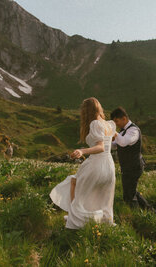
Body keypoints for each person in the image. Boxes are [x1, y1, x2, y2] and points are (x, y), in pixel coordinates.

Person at [50, 97, 116, 229]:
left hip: (97, 163)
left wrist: (82, 151)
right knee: (104, 198)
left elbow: (101, 147)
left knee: (78, 189)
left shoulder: (95, 124)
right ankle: (102, 223)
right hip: (109, 165)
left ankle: (76, 221)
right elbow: (110, 143)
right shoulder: (109, 124)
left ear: (87, 111)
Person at [111, 107, 151, 210]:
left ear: (124, 118)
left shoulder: (133, 130)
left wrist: (113, 132)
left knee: (129, 195)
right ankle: (150, 211)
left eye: (116, 121)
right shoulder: (122, 131)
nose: (116, 124)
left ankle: (136, 215)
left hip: (134, 166)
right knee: (131, 192)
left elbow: (123, 142)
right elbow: (115, 144)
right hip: (127, 167)